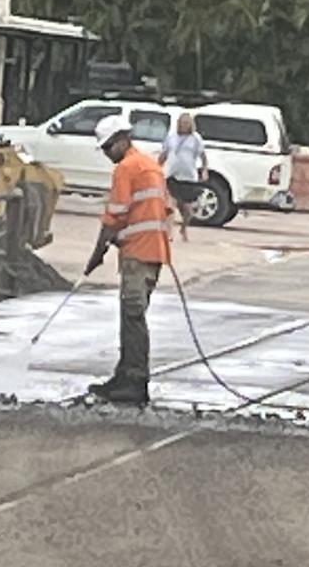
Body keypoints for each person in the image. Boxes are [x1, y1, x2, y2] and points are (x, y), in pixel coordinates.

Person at [82, 114, 171, 405]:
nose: (107, 155)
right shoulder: (150, 165)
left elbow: (115, 215)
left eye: (108, 148)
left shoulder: (127, 168)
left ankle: (134, 381)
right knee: (132, 315)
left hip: (139, 252)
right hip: (152, 251)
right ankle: (124, 375)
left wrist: (97, 254)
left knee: (133, 316)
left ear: (122, 140)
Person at [158, 112, 209, 241]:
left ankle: (184, 228)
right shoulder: (171, 137)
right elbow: (164, 154)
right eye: (182, 123)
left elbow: (203, 157)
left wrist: (204, 170)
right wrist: (157, 168)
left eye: (186, 123)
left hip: (189, 177)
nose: (184, 126)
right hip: (172, 175)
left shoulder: (196, 138)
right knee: (170, 205)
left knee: (187, 210)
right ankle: (169, 232)